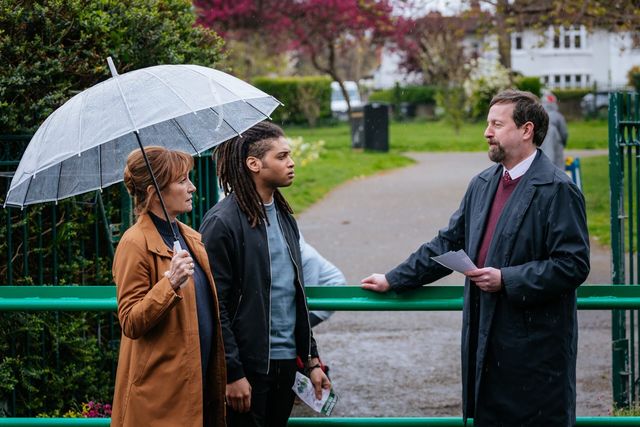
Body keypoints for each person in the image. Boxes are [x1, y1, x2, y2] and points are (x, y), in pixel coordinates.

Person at [361, 90, 590, 426]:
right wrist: (394, 279)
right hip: (486, 343)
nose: (487, 132)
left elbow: (573, 264)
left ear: (526, 130)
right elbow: (447, 243)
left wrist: (506, 279)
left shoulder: (558, 188)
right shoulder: (482, 183)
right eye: (488, 124)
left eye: (496, 124)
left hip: (535, 353)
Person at [199, 121, 330, 427]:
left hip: (287, 364)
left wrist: (311, 361)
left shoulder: (284, 216)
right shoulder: (221, 223)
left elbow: (294, 294)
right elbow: (215, 305)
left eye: (290, 155)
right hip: (247, 368)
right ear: (254, 164)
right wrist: (232, 373)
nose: (291, 162)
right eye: (282, 156)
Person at [111, 147, 226, 427]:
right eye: (182, 180)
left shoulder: (190, 237)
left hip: (197, 387)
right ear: (155, 192)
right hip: (160, 399)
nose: (192, 187)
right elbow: (130, 322)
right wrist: (170, 283)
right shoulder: (134, 243)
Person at [300, 233, 347, 328]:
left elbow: (306, 295)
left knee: (300, 327)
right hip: (316, 289)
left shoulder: (308, 257)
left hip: (332, 289)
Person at [540, 90, 569, 169]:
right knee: (557, 161)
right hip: (556, 139)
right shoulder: (558, 116)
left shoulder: (539, 115)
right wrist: (563, 142)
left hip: (541, 138)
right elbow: (564, 132)